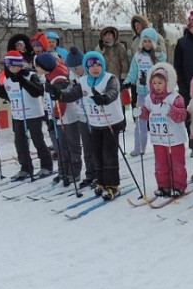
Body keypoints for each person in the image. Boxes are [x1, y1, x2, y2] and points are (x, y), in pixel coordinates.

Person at [47, 51, 125, 200]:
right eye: (91, 65)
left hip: (111, 123)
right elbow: (73, 94)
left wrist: (105, 98)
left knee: (109, 155)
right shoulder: (83, 81)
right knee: (97, 154)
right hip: (95, 123)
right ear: (86, 67)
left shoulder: (110, 78)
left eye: (98, 65)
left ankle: (113, 185)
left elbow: (113, 92)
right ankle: (101, 182)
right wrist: (60, 94)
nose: (95, 68)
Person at [0, 51, 53, 181]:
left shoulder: (30, 75)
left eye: (15, 66)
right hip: (18, 115)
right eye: (9, 66)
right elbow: (7, 95)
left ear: (20, 65)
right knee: (20, 143)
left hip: (33, 114)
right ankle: (26, 168)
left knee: (37, 140)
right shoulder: (8, 79)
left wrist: (22, 80)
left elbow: (37, 91)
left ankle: (46, 165)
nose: (12, 69)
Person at [139, 62, 188, 197]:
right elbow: (146, 113)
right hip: (158, 138)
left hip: (174, 138)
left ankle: (178, 186)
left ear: (168, 82)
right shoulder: (149, 98)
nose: (157, 86)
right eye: (154, 83)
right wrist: (139, 113)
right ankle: (163, 185)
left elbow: (182, 115)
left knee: (176, 164)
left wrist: (171, 110)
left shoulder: (175, 98)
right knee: (160, 164)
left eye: (160, 83)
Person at [34, 52, 82, 187]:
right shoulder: (50, 76)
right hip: (58, 116)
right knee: (61, 146)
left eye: (37, 66)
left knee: (71, 145)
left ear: (45, 66)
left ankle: (74, 172)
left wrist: (55, 115)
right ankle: (63, 172)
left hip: (67, 116)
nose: (36, 68)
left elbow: (63, 98)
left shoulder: (59, 77)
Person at [122, 27, 166, 157]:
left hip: (156, 95)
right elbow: (133, 72)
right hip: (141, 94)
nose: (147, 44)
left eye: (149, 41)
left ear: (154, 42)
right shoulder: (138, 56)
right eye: (145, 41)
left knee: (158, 120)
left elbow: (164, 73)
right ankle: (139, 148)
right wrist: (127, 82)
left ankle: (162, 145)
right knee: (140, 121)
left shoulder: (160, 56)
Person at [64, 46, 96, 189]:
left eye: (77, 68)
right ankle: (90, 174)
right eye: (72, 68)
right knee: (87, 148)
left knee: (96, 148)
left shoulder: (91, 77)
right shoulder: (73, 77)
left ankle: (99, 174)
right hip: (82, 116)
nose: (75, 71)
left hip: (94, 117)